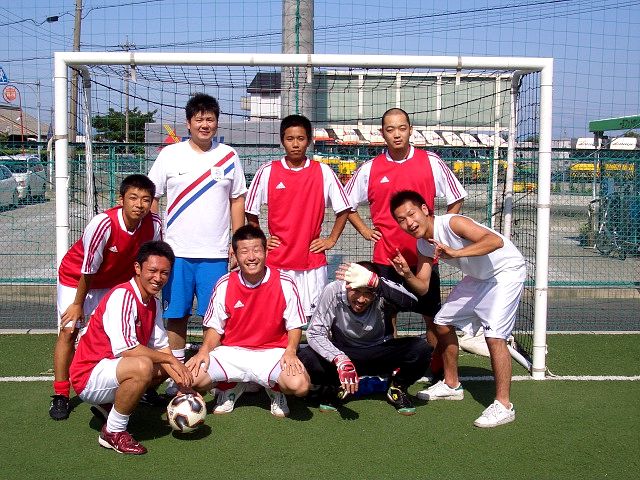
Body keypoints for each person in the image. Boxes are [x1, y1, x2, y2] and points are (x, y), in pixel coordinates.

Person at [345, 108, 467, 377]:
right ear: (382, 134)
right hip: (386, 258)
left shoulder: (431, 162)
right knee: (387, 316)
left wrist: (440, 230)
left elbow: (456, 197)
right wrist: (364, 229)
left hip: (424, 258)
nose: (397, 134)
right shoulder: (370, 169)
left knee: (433, 317)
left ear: (411, 130)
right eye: (390, 129)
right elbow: (345, 203)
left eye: (402, 128)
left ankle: (433, 367)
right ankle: (392, 368)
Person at [390, 190, 526, 428]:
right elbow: (422, 286)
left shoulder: (453, 223)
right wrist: (407, 274)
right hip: (478, 278)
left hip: (506, 272)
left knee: (495, 336)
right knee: (442, 322)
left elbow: (495, 241)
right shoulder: (423, 245)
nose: (409, 223)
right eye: (401, 219)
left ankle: (504, 405)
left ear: (424, 209)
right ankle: (452, 384)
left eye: (411, 214)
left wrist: (455, 252)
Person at [147, 93, 247, 387]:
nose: (205, 124)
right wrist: (156, 238)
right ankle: (175, 375)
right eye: (199, 119)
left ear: (217, 123)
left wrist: (237, 243)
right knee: (176, 315)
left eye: (210, 119)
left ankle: (209, 374)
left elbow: (237, 199)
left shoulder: (228, 155)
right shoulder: (170, 155)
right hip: (176, 254)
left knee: (212, 318)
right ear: (188, 123)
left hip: (215, 255)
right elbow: (153, 196)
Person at [50, 174, 163, 420]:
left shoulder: (154, 224)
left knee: (114, 337)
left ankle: (124, 392)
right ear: (121, 199)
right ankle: (60, 394)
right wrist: (78, 304)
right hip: (77, 279)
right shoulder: (103, 223)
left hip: (112, 282)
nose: (139, 204)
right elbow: (88, 269)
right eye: (133, 198)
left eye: (145, 199)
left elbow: (153, 261)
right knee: (69, 330)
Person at [69, 241, 194, 454]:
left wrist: (183, 385)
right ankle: (113, 432)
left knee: (165, 364)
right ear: (137, 268)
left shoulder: (152, 303)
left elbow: (162, 348)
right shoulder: (124, 296)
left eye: (164, 273)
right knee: (143, 366)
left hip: (112, 370)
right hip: (88, 376)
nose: (158, 278)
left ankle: (114, 404)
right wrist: (171, 359)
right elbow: (127, 349)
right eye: (152, 271)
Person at [185, 225, 310, 418]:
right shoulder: (225, 284)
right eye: (244, 252)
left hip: (272, 353)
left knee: (300, 385)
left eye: (256, 250)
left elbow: (294, 325)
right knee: (189, 378)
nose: (251, 257)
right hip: (232, 352)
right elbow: (215, 327)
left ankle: (275, 390)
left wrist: (291, 351)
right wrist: (203, 351)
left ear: (266, 251)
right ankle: (231, 386)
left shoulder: (285, 282)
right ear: (235, 255)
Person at [245, 114, 352, 318]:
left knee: (316, 318)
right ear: (282, 141)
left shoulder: (323, 172)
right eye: (290, 139)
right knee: (277, 315)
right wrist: (262, 240)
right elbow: (250, 210)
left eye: (301, 139)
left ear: (309, 141)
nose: (295, 144)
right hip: (278, 261)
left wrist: (331, 239)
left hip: (311, 261)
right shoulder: (267, 171)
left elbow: (344, 208)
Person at [298, 262, 432, 415]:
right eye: (356, 291)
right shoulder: (333, 290)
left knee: (421, 349)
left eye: (368, 292)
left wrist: (378, 284)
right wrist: (339, 359)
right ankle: (336, 386)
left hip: (380, 353)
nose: (361, 299)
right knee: (306, 357)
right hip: (346, 354)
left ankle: (397, 387)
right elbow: (315, 333)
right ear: (346, 285)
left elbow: (413, 303)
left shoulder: (382, 289)